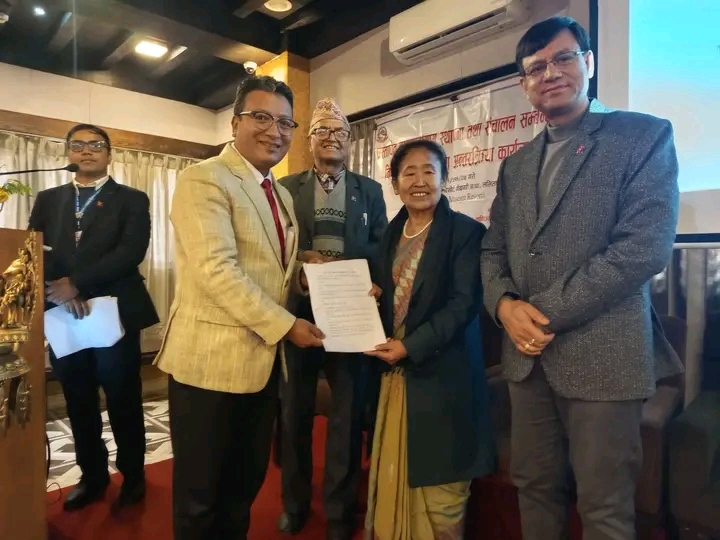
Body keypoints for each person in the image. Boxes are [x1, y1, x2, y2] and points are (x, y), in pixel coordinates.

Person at [480, 16, 683, 540]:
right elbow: (493, 249)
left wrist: (536, 315)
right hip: (526, 362)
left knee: (604, 507)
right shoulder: (516, 165)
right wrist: (503, 305)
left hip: (604, 355)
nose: (550, 73)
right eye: (535, 67)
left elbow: (642, 249)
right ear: (524, 84)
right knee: (533, 487)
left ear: (589, 62)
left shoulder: (642, 135)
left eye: (563, 58)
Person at [154, 75, 325, 540]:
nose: (275, 131)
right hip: (208, 366)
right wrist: (287, 325)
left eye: (285, 122)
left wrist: (305, 270)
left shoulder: (279, 192)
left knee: (243, 487)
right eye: (261, 117)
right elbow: (217, 271)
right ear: (235, 123)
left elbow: (267, 264)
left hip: (261, 364)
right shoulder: (204, 179)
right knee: (200, 498)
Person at [364, 139, 495, 539]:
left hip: (444, 376)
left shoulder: (466, 233)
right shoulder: (389, 235)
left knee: (443, 488)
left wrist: (411, 345)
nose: (419, 181)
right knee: (395, 470)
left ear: (444, 178)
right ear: (395, 183)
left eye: (429, 171)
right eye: (409, 173)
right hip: (395, 377)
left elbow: (463, 304)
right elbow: (387, 293)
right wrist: (373, 296)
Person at [28, 123, 159, 512]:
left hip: (112, 312)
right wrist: (57, 289)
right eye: (78, 145)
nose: (87, 151)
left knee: (122, 398)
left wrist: (77, 284)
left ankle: (133, 476)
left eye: (96, 145)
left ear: (109, 154)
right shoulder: (48, 199)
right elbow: (34, 248)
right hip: (62, 313)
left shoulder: (131, 199)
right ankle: (93, 476)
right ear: (68, 153)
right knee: (78, 397)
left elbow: (131, 251)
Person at [277, 98, 387, 540]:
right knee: (294, 415)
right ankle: (295, 505)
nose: (331, 138)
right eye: (321, 130)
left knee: (346, 419)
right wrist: (301, 264)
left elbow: (380, 246)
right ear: (308, 140)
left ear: (349, 141)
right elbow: (276, 249)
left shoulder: (369, 190)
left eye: (339, 131)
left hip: (350, 316)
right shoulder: (286, 188)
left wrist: (371, 279)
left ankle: (340, 513)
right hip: (299, 317)